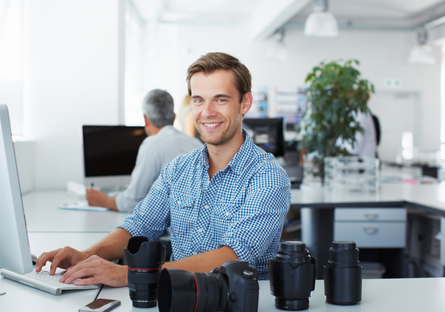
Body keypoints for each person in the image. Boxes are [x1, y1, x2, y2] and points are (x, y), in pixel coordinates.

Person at [36, 52, 291, 286]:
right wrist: (86, 254)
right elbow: (139, 226)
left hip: (235, 301)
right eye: (199, 100)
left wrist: (130, 274)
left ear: (244, 103)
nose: (207, 112)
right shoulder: (179, 169)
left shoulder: (268, 177)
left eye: (220, 99)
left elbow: (233, 256)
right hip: (177, 297)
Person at [86, 89, 202, 212]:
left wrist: (102, 201)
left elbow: (132, 201)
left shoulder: (152, 144)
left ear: (145, 120)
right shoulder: (196, 143)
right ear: (174, 117)